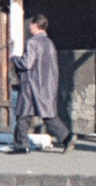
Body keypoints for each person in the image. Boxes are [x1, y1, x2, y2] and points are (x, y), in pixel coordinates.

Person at [8, 14, 71, 156]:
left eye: (31, 24)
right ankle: (67, 137)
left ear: (35, 25)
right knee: (48, 115)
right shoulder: (49, 42)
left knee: (23, 115)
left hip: (32, 85)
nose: (29, 26)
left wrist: (14, 59)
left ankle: (21, 146)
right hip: (47, 84)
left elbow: (27, 63)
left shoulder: (32, 42)